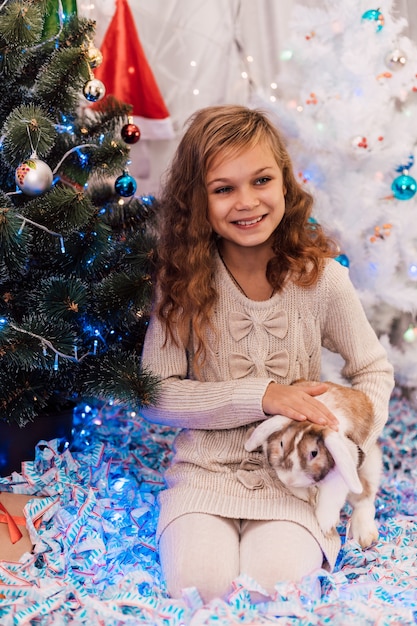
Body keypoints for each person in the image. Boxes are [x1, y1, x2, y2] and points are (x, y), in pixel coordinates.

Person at [140, 104, 395, 602]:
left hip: (294, 481)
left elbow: (373, 370)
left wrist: (346, 441)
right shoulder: (182, 285)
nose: (247, 202)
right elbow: (156, 396)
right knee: (201, 589)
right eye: (223, 188)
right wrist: (264, 396)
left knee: (274, 591)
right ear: (199, 201)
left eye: (261, 180)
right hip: (205, 473)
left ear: (285, 183)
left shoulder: (322, 280)